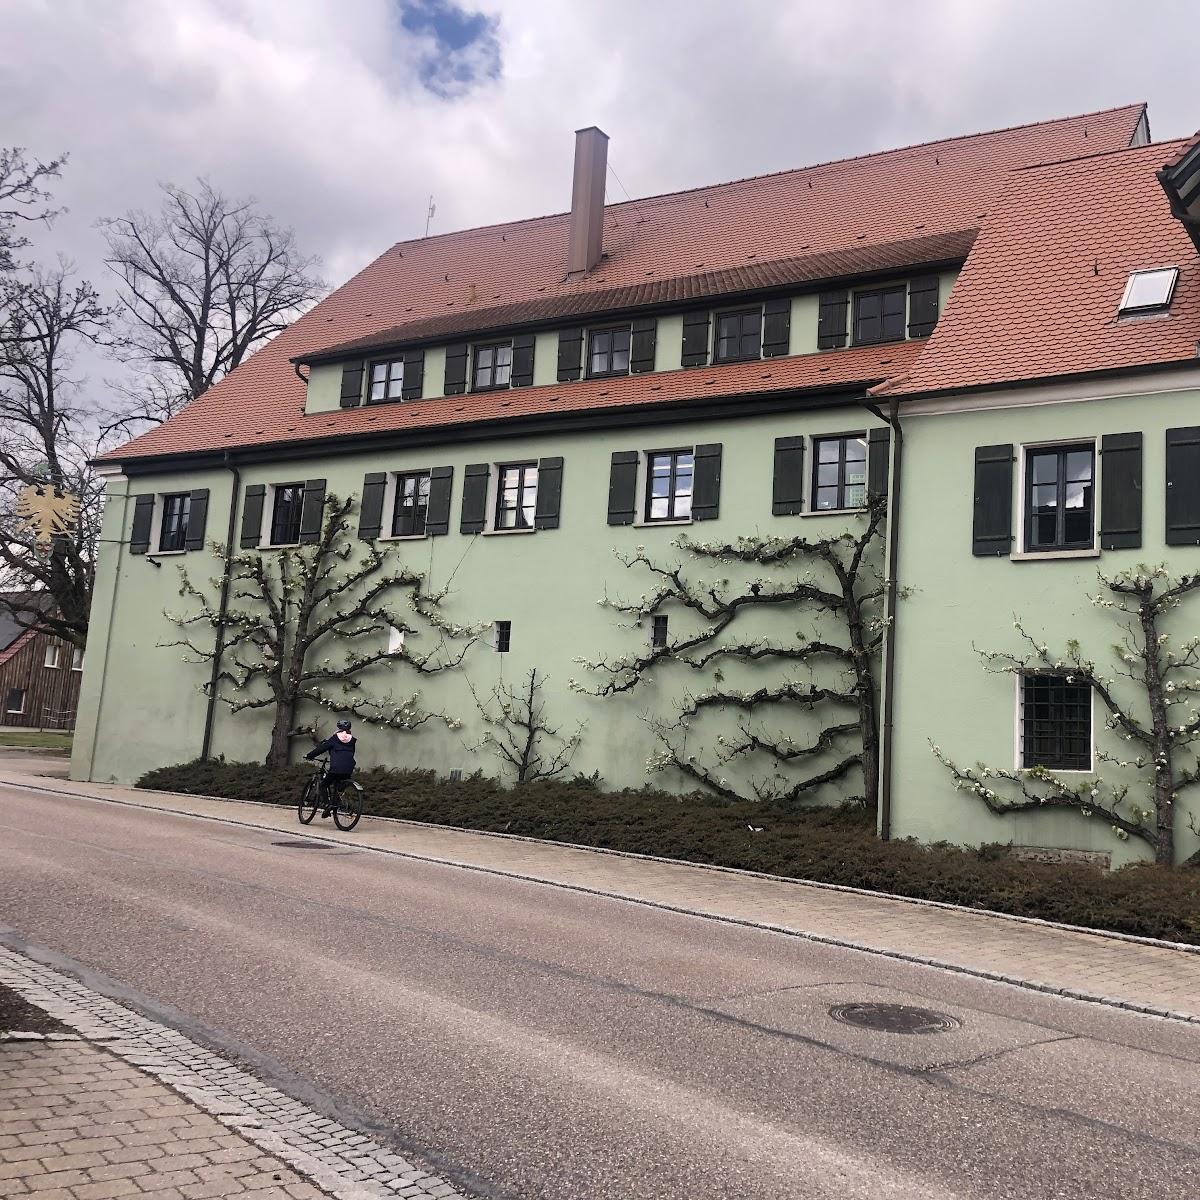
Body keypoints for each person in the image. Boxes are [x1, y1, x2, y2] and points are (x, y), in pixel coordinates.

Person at [305, 719, 356, 818]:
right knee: (339, 786)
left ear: (338, 728)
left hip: (336, 768)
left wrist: (310, 755)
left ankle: (327, 805)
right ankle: (337, 803)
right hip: (349, 768)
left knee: (323, 785)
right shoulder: (352, 740)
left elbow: (322, 748)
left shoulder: (334, 738)